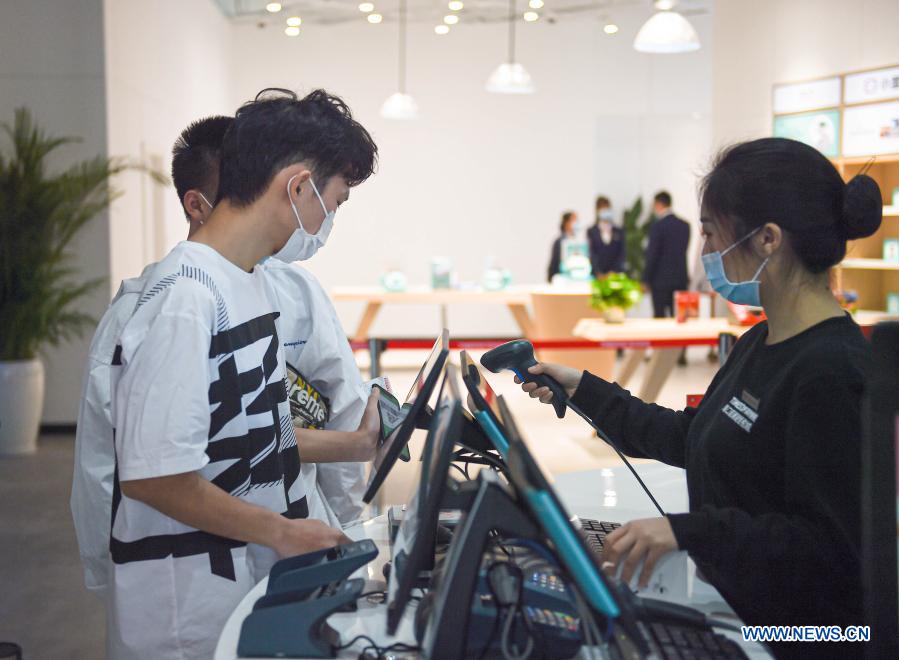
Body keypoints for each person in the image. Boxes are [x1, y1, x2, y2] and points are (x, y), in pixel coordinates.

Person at [518, 137, 881, 658]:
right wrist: (584, 388)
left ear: (768, 240)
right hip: (735, 606)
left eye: (712, 234)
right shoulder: (761, 338)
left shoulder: (833, 370)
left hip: (796, 637)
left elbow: (826, 547)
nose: (707, 254)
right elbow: (695, 437)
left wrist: (688, 532)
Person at [106, 89, 378, 659]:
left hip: (249, 582)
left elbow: (248, 430)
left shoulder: (246, 280)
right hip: (190, 605)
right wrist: (281, 531)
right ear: (298, 187)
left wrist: (353, 444)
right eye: (337, 200)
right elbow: (153, 477)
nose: (330, 220)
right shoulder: (184, 299)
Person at [643, 191, 690, 318]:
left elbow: (652, 254)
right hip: (680, 279)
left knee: (660, 317)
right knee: (680, 317)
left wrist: (646, 279)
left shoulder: (657, 226)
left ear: (658, 204)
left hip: (660, 281)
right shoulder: (684, 226)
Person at [587, 195, 625, 275]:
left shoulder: (618, 231)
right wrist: (598, 272)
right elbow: (591, 253)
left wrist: (613, 271)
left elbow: (621, 254)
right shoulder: (592, 231)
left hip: (615, 275)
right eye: (602, 209)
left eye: (607, 208)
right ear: (597, 211)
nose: (605, 211)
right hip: (597, 275)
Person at [547, 210, 579, 282]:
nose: (576, 223)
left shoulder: (578, 241)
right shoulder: (559, 242)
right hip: (562, 279)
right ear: (566, 223)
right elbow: (554, 263)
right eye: (573, 220)